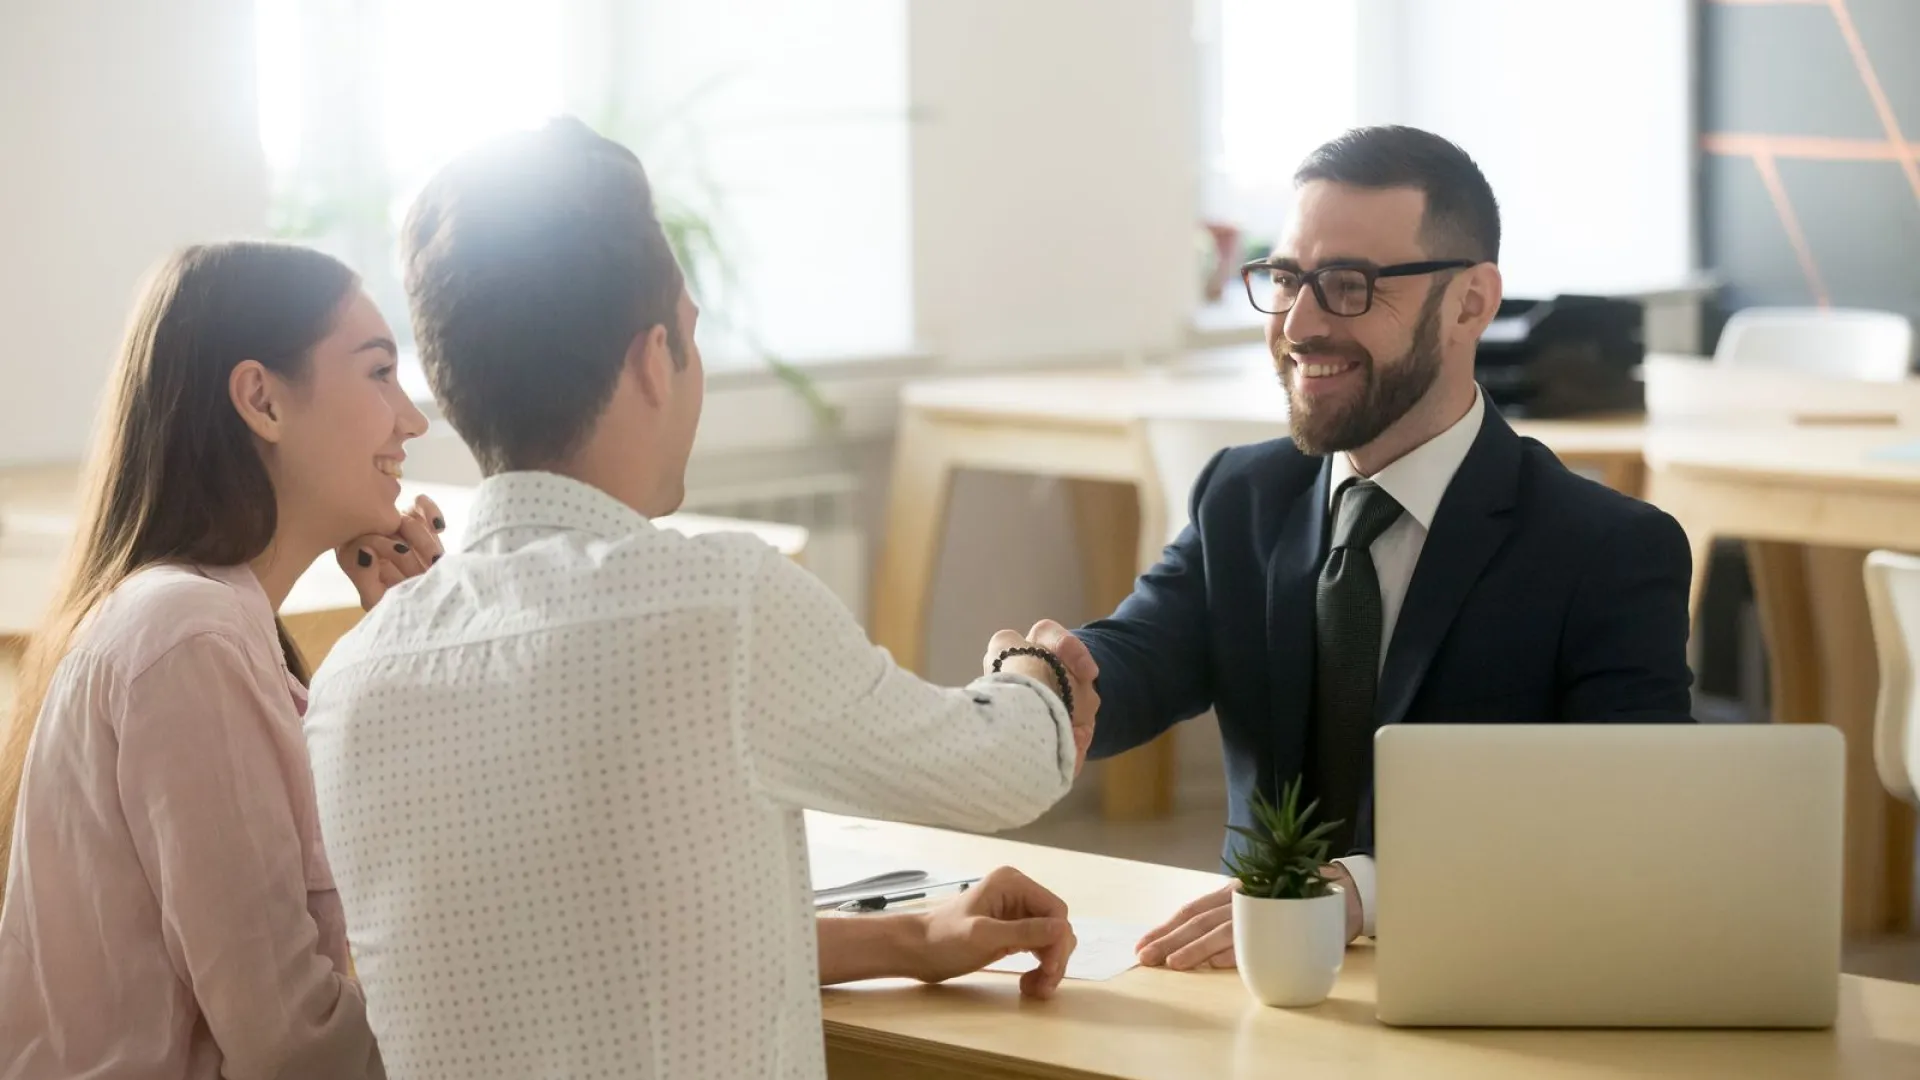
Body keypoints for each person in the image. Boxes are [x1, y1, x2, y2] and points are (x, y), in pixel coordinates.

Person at [302, 117, 1100, 1080]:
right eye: (690, 333)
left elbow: (595, 944)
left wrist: (907, 937)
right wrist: (1038, 672)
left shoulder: (350, 684)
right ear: (652, 357)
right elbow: (1002, 771)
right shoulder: (721, 604)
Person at [1038, 125, 1695, 971]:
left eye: (1349, 286)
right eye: (1285, 279)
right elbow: (1136, 658)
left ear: (1471, 303)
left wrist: (1363, 892)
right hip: (1256, 989)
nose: (1299, 324)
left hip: (1492, 986)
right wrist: (1045, 676)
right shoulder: (1243, 495)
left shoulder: (1608, 553)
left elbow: (1629, 822)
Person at [0, 241, 443, 1079]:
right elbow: (292, 1044)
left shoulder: (208, 627)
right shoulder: (188, 636)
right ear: (261, 400)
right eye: (380, 372)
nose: (411, 421)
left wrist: (403, 667)